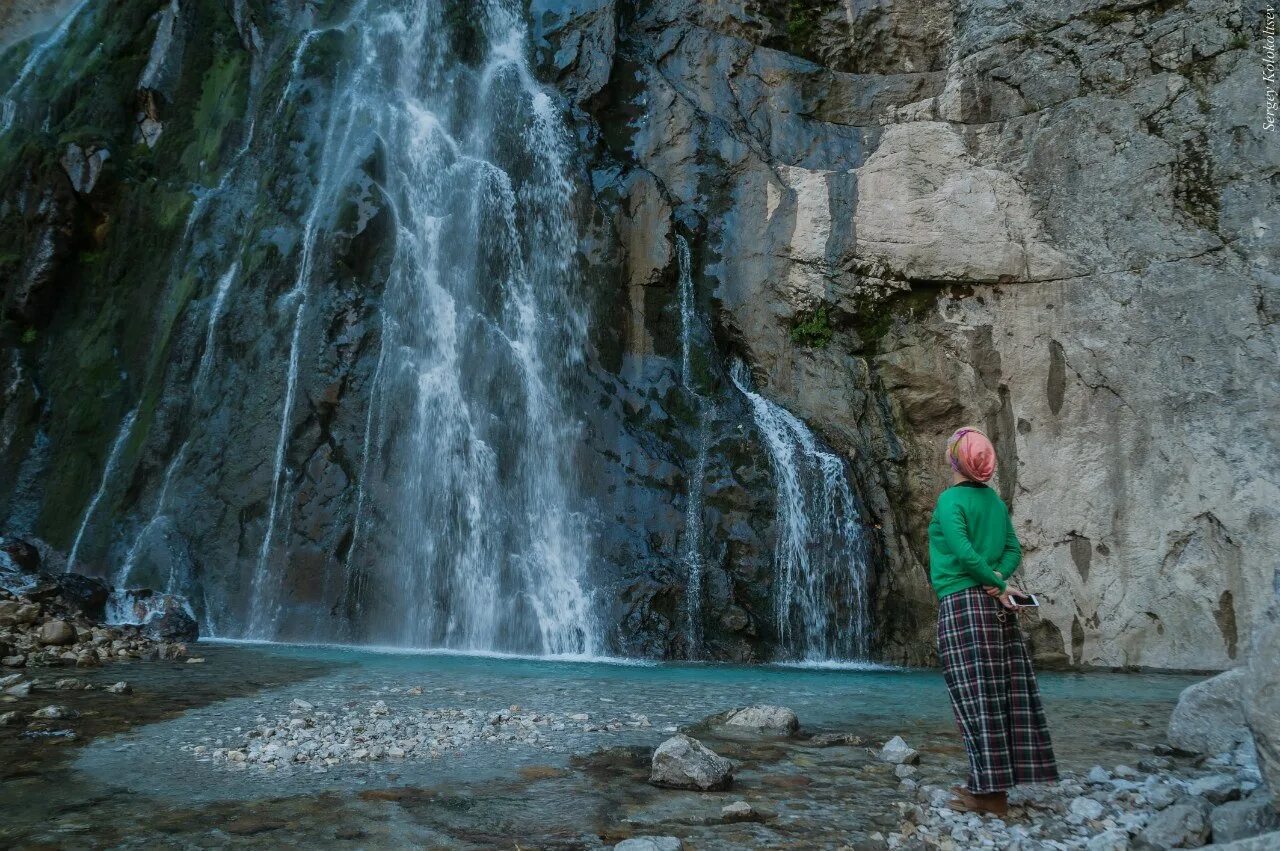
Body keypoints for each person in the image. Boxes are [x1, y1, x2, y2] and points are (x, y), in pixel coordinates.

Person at [928, 426, 1058, 816]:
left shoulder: (950, 501)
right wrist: (1000, 581)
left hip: (962, 605)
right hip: (995, 607)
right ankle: (993, 785)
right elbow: (1013, 549)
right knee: (1002, 695)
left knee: (973, 698)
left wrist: (993, 581)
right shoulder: (996, 503)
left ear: (954, 459)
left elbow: (964, 554)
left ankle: (988, 795)